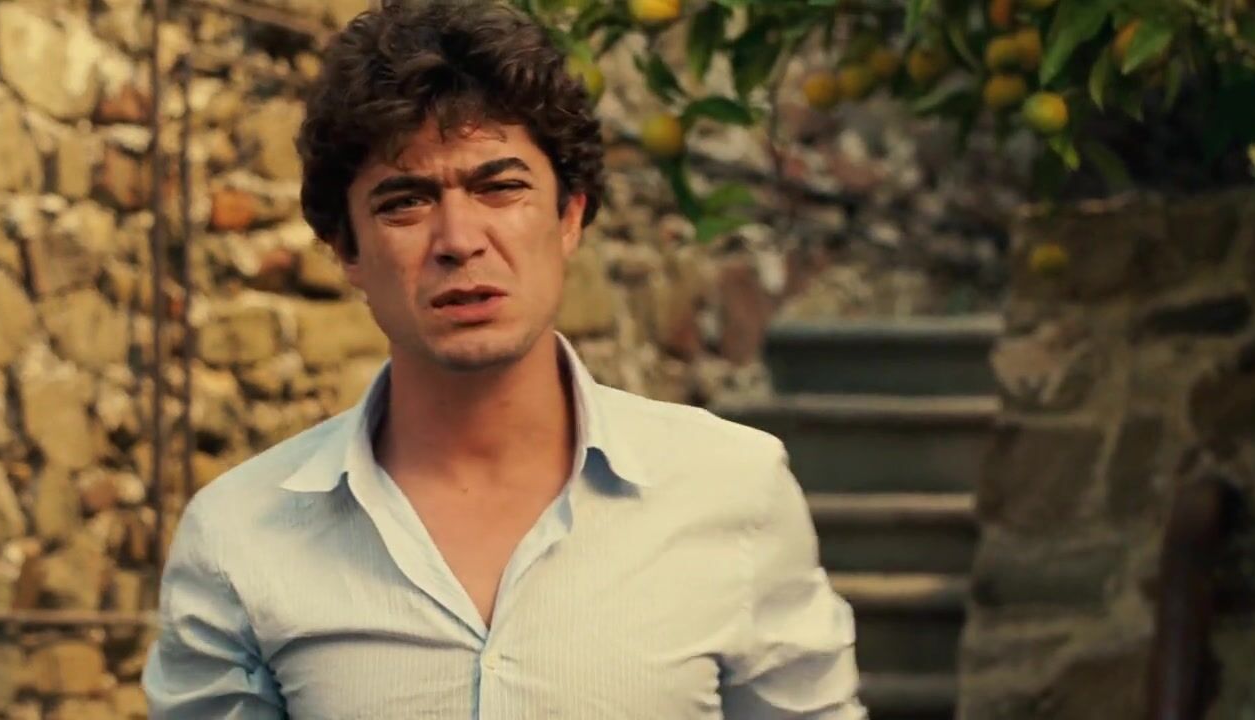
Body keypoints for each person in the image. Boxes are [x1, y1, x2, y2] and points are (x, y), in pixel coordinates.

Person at [141, 0, 864, 717]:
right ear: (346, 251)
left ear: (570, 216)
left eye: (500, 187)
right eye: (405, 201)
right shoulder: (240, 539)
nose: (459, 239)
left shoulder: (732, 492)